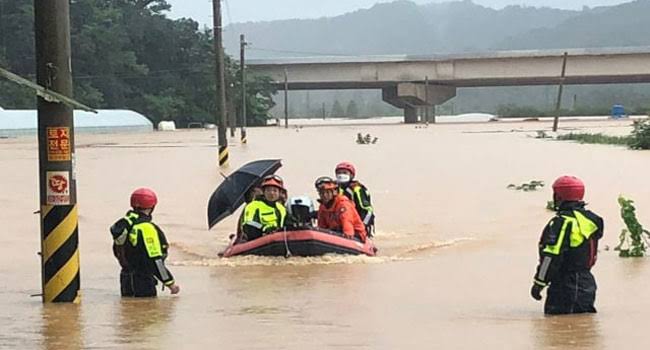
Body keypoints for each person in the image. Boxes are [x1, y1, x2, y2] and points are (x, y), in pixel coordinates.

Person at [530, 176, 604, 315]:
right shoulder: (592, 220)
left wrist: (539, 283)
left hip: (565, 286)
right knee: (582, 329)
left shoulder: (561, 223)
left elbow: (551, 256)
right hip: (586, 283)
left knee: (556, 330)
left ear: (558, 196)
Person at [110, 188, 180, 297]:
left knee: (128, 311)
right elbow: (155, 261)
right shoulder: (147, 229)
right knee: (146, 311)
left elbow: (118, 251)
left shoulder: (125, 224)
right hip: (143, 282)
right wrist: (170, 283)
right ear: (152, 207)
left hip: (126, 279)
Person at [315, 176, 367, 243]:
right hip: (336, 232)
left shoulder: (343, 204)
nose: (325, 195)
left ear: (334, 192)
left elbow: (347, 221)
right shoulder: (322, 207)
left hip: (355, 235)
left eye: (327, 192)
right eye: (322, 193)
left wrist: (348, 235)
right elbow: (321, 227)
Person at [240, 175, 287, 241]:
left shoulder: (282, 208)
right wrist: (264, 229)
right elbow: (248, 223)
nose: (272, 193)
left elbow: (287, 224)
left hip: (280, 239)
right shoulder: (253, 206)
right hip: (259, 240)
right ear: (263, 192)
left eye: (275, 190)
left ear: (279, 193)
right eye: (268, 190)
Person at [335, 162, 375, 236]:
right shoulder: (334, 189)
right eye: (339, 173)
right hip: (340, 223)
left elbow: (368, 211)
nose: (341, 175)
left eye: (345, 172)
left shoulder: (357, 189)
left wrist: (363, 226)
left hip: (356, 225)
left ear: (351, 175)